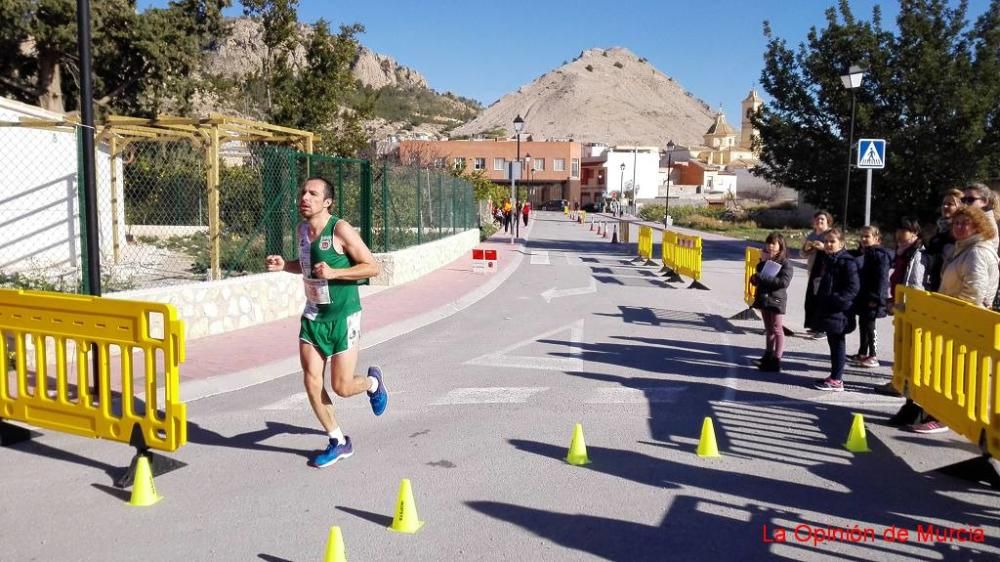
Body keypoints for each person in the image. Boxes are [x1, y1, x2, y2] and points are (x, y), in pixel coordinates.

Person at [264, 177, 388, 468]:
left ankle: (373, 383)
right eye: (303, 192)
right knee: (311, 380)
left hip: (344, 317)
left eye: (312, 193)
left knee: (342, 387)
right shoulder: (302, 230)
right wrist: (286, 266)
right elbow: (306, 267)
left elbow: (373, 267)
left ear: (327, 202)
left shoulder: (340, 229)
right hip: (313, 316)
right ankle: (338, 441)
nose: (304, 197)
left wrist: (335, 273)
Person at [908, 206, 999, 434]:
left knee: (957, 375)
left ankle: (945, 418)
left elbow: (973, 292)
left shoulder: (976, 251)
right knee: (953, 373)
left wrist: (951, 314)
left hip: (965, 323)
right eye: (956, 223)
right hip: (957, 321)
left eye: (964, 223)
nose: (958, 228)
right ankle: (943, 416)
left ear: (977, 227)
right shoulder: (965, 248)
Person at [875, 217, 929, 396]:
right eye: (897, 230)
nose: (899, 234)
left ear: (914, 232)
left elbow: (915, 283)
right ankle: (898, 382)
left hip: (910, 307)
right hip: (900, 304)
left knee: (910, 349)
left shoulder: (917, 253)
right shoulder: (902, 251)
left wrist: (903, 304)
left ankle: (907, 385)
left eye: (903, 230)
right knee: (901, 346)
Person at [810, 228, 860, 391]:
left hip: (840, 311)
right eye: (826, 241)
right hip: (830, 310)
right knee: (833, 343)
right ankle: (834, 375)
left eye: (832, 241)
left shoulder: (847, 262)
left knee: (838, 344)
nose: (828, 245)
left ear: (842, 243)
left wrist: (836, 301)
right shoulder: (829, 259)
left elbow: (853, 288)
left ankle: (837, 380)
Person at [848, 225, 892, 369]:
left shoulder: (880, 255)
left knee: (870, 326)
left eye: (867, 237)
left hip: (873, 298)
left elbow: (881, 279)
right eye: (862, 236)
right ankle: (862, 353)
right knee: (863, 324)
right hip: (863, 296)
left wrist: (877, 299)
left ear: (877, 239)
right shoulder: (865, 253)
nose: (863, 239)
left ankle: (873, 356)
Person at [750, 232, 794, 372]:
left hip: (776, 300)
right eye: (768, 243)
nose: (769, 246)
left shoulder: (786, 264)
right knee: (769, 329)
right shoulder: (767, 261)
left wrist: (761, 277)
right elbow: (759, 274)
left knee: (777, 329)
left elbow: (783, 282)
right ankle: (767, 355)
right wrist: (761, 264)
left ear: (780, 246)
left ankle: (776, 359)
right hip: (764, 299)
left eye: (773, 243)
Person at [800, 210, 834, 338]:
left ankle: (822, 329)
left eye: (822, 219)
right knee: (812, 299)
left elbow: (840, 250)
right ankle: (814, 326)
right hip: (813, 270)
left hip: (825, 270)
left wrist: (823, 247)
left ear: (828, 221)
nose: (819, 222)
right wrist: (807, 248)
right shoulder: (811, 235)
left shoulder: (831, 234)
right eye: (817, 219)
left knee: (822, 299)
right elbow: (802, 254)